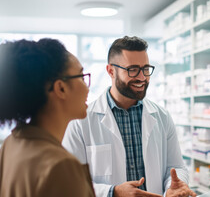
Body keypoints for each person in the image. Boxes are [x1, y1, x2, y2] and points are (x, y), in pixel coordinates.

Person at [63, 36, 196, 197]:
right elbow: (70, 182)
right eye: (133, 69)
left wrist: (174, 185)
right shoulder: (80, 121)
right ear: (111, 71)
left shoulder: (162, 116)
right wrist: (113, 192)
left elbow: (176, 166)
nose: (142, 78)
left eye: (146, 69)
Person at [0, 39, 95, 197]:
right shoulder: (61, 165)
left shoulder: (12, 142)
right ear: (61, 88)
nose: (86, 87)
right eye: (82, 77)